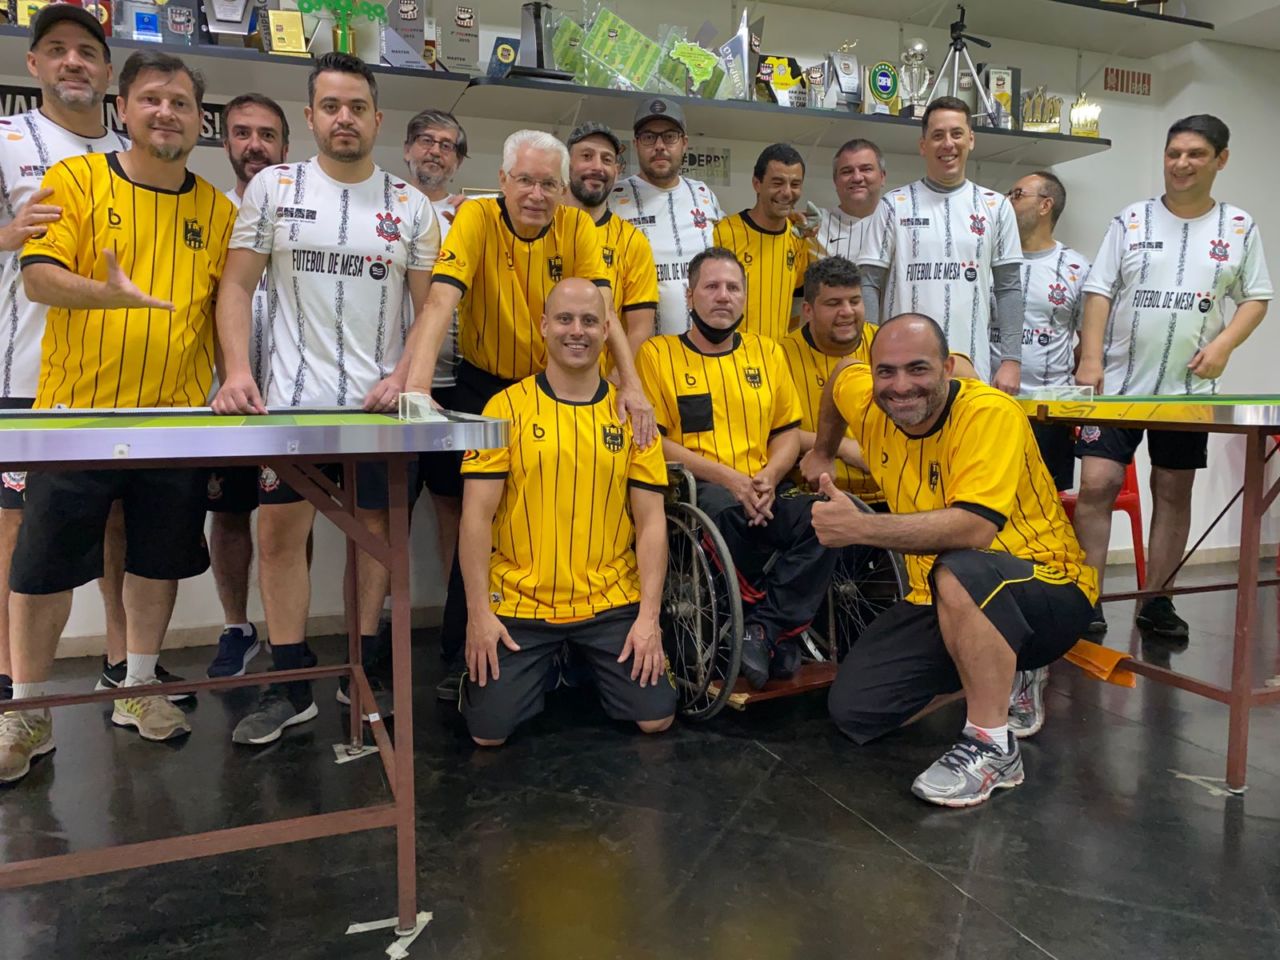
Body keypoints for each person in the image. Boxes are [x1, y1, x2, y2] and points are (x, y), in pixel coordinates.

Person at [0, 49, 237, 783]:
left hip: (175, 421)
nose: (167, 112)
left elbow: (225, 309)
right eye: (152, 99)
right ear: (123, 109)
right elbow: (38, 278)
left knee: (155, 559)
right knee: (43, 566)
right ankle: (27, 712)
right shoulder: (76, 180)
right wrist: (107, 295)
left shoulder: (219, 211)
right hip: (76, 415)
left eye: (181, 103)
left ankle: (136, 687)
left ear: (198, 120)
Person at [212, 53, 440, 745]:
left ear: (378, 118)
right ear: (311, 117)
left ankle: (361, 669)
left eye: (357, 107)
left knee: (375, 537)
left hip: (377, 412)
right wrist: (236, 371)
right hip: (290, 408)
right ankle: (289, 684)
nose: (346, 118)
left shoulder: (410, 206)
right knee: (279, 537)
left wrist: (406, 376)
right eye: (332, 107)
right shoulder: (274, 188)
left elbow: (430, 311)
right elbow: (235, 286)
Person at [802, 313, 1097, 807]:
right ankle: (1002, 670)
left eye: (918, 369)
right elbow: (838, 379)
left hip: (1045, 585)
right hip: (940, 593)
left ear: (948, 368)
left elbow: (974, 530)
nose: (901, 386)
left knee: (961, 565)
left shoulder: (989, 413)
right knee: (857, 710)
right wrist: (823, 451)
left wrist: (861, 528)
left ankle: (992, 746)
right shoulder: (869, 398)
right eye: (886, 371)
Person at [402, 128, 655, 701]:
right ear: (502, 181)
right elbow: (440, 300)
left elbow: (603, 311)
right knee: (477, 518)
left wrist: (632, 386)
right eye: (524, 181)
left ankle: (575, 649)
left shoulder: (578, 227)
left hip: (559, 385)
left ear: (562, 189)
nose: (536, 194)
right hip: (484, 385)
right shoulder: (474, 219)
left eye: (548, 183)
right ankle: (464, 652)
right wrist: (416, 388)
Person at [1073, 114, 1271, 637]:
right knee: (1097, 484)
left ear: (1220, 160)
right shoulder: (1131, 219)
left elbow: (1256, 298)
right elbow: (1098, 289)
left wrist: (1224, 345)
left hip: (1188, 390)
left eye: (1195, 154)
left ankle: (1156, 601)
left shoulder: (1238, 226)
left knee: (1172, 489)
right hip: (1117, 386)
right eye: (1173, 153)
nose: (1181, 164)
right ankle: (1085, 598)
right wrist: (1090, 358)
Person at [459, 278, 674, 744]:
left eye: (590, 320)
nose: (577, 330)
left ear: (606, 331)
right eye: (565, 319)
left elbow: (652, 523)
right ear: (543, 326)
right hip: (520, 602)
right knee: (488, 735)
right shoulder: (502, 408)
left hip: (609, 600)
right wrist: (478, 616)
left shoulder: (633, 417)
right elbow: (474, 518)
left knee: (655, 719)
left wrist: (649, 618)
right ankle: (552, 663)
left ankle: (578, 658)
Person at [0, 4, 131, 705]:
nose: (72, 61)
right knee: (19, 532)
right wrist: (7, 234)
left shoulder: (131, 149)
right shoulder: (7, 139)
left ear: (108, 69)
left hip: (118, 380)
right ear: (34, 63)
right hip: (26, 373)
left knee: (118, 523)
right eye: (56, 49)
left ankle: (126, 667)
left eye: (86, 51)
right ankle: (14, 689)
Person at [637, 247, 837, 689]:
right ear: (689, 296)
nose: (723, 296)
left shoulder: (767, 352)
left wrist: (769, 476)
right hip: (700, 492)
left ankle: (764, 628)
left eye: (733, 287)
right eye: (711, 286)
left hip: (764, 489)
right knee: (724, 510)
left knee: (833, 516)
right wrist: (731, 479)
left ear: (745, 297)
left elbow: (786, 433)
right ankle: (776, 632)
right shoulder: (657, 354)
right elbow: (656, 441)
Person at [203, 93, 290, 680]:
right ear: (226, 141)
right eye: (242, 133)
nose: (254, 145)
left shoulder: (303, 211)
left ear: (286, 145)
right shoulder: (211, 213)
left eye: (266, 135)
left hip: (288, 397)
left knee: (288, 516)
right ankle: (237, 626)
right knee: (230, 515)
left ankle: (290, 635)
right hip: (225, 398)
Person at [857, 97, 1024, 391]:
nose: (948, 144)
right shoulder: (894, 205)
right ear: (923, 145)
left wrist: (1011, 360)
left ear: (971, 139)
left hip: (971, 366)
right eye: (937, 135)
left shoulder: (996, 206)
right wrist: (870, 352)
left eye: (956, 134)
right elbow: (868, 283)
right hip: (902, 371)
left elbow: (1009, 288)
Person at [403, 108, 468, 583]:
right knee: (385, 510)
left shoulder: (471, 215)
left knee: (456, 506)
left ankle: (456, 617)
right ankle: (381, 619)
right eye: (427, 141)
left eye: (447, 145)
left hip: (456, 381)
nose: (436, 151)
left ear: (458, 160)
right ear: (408, 149)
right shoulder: (387, 204)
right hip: (395, 383)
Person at [1001, 170, 1091, 491]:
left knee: (1046, 501)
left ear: (1045, 205)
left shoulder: (1076, 268)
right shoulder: (990, 260)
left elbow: (1089, 344)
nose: (1007, 201)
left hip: (1049, 411)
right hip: (992, 404)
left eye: (1017, 194)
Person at [610, 97, 724, 335]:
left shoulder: (703, 194)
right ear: (636, 144)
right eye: (649, 137)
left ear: (684, 143)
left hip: (701, 347)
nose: (659, 146)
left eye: (670, 136)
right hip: (640, 349)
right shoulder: (614, 198)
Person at [779, 256, 881, 504]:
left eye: (854, 301)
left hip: (893, 495)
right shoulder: (778, 356)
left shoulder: (888, 343)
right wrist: (843, 447)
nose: (847, 312)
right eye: (834, 303)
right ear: (808, 310)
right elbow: (771, 431)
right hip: (814, 498)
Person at [563, 121, 658, 365]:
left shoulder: (632, 241)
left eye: (606, 159)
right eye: (586, 156)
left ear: (617, 170)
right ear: (566, 164)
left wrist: (618, 378)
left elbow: (640, 329)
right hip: (532, 377)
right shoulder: (542, 226)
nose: (597, 167)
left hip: (603, 381)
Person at [712, 143, 809, 342]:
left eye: (795, 184)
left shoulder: (798, 237)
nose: (787, 192)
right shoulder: (722, 234)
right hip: (730, 356)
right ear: (757, 184)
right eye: (777, 183)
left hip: (776, 356)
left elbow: (797, 299)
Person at [815, 138, 886, 260]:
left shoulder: (900, 225)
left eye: (866, 169)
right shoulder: (815, 226)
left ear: (882, 177)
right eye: (847, 171)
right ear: (835, 181)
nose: (857, 178)